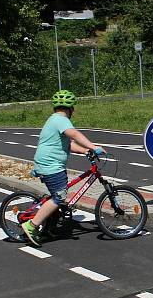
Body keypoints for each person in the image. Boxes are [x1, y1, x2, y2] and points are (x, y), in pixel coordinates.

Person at [21, 89, 105, 247]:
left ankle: (48, 228)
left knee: (57, 196)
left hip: (50, 164)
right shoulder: (61, 119)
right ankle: (31, 226)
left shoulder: (54, 119)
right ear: (70, 108)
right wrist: (93, 147)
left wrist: (85, 150)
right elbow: (74, 135)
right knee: (59, 197)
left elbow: (69, 144)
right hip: (50, 165)